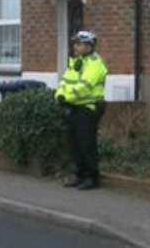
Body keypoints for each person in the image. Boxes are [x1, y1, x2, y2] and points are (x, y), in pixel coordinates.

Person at [55, 30, 108, 190]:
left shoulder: (95, 64)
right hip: (74, 107)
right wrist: (59, 95)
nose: (75, 46)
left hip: (88, 107)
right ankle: (79, 175)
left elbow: (84, 87)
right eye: (75, 43)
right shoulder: (76, 62)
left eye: (79, 43)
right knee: (74, 144)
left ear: (89, 46)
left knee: (87, 144)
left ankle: (92, 178)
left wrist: (66, 97)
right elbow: (64, 82)